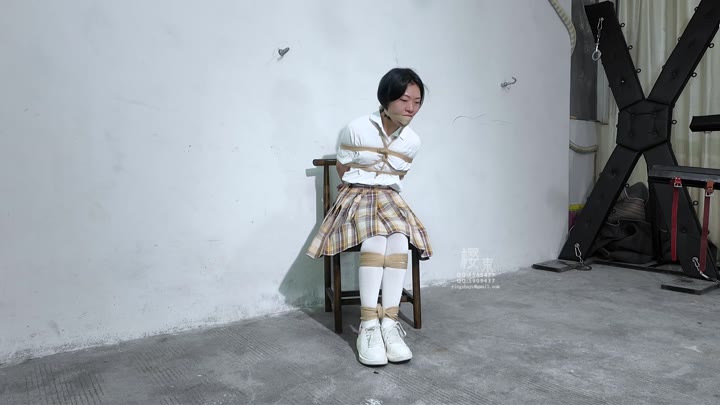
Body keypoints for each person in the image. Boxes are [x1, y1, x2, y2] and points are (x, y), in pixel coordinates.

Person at [307, 67, 433, 366]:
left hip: (389, 197)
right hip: (355, 194)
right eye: (404, 100)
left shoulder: (412, 141)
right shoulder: (356, 128)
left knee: (399, 238)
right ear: (386, 99)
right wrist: (360, 184)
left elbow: (395, 177)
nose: (411, 108)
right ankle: (368, 325)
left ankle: (389, 323)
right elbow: (343, 168)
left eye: (417, 102)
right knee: (375, 238)